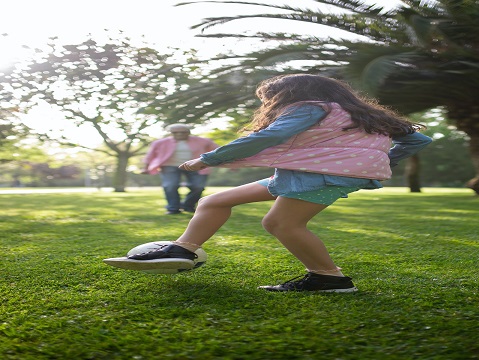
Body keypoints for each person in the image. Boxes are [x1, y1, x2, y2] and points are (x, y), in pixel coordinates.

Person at [105, 74, 432, 292]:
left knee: (281, 223)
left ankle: (329, 278)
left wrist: (209, 158)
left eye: (269, 99)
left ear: (288, 94)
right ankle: (183, 249)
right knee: (215, 201)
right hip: (305, 173)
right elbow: (419, 140)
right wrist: (379, 161)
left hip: (318, 175)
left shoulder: (309, 108)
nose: (267, 106)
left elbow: (271, 135)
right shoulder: (362, 114)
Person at [142, 124, 219, 214]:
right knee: (170, 186)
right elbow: (150, 155)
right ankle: (173, 208)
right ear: (171, 133)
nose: (179, 134)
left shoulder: (203, 141)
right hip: (169, 166)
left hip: (195, 165)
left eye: (183, 132)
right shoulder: (160, 143)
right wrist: (145, 168)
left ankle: (188, 205)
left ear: (188, 132)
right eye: (175, 132)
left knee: (198, 187)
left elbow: (218, 151)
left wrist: (230, 163)